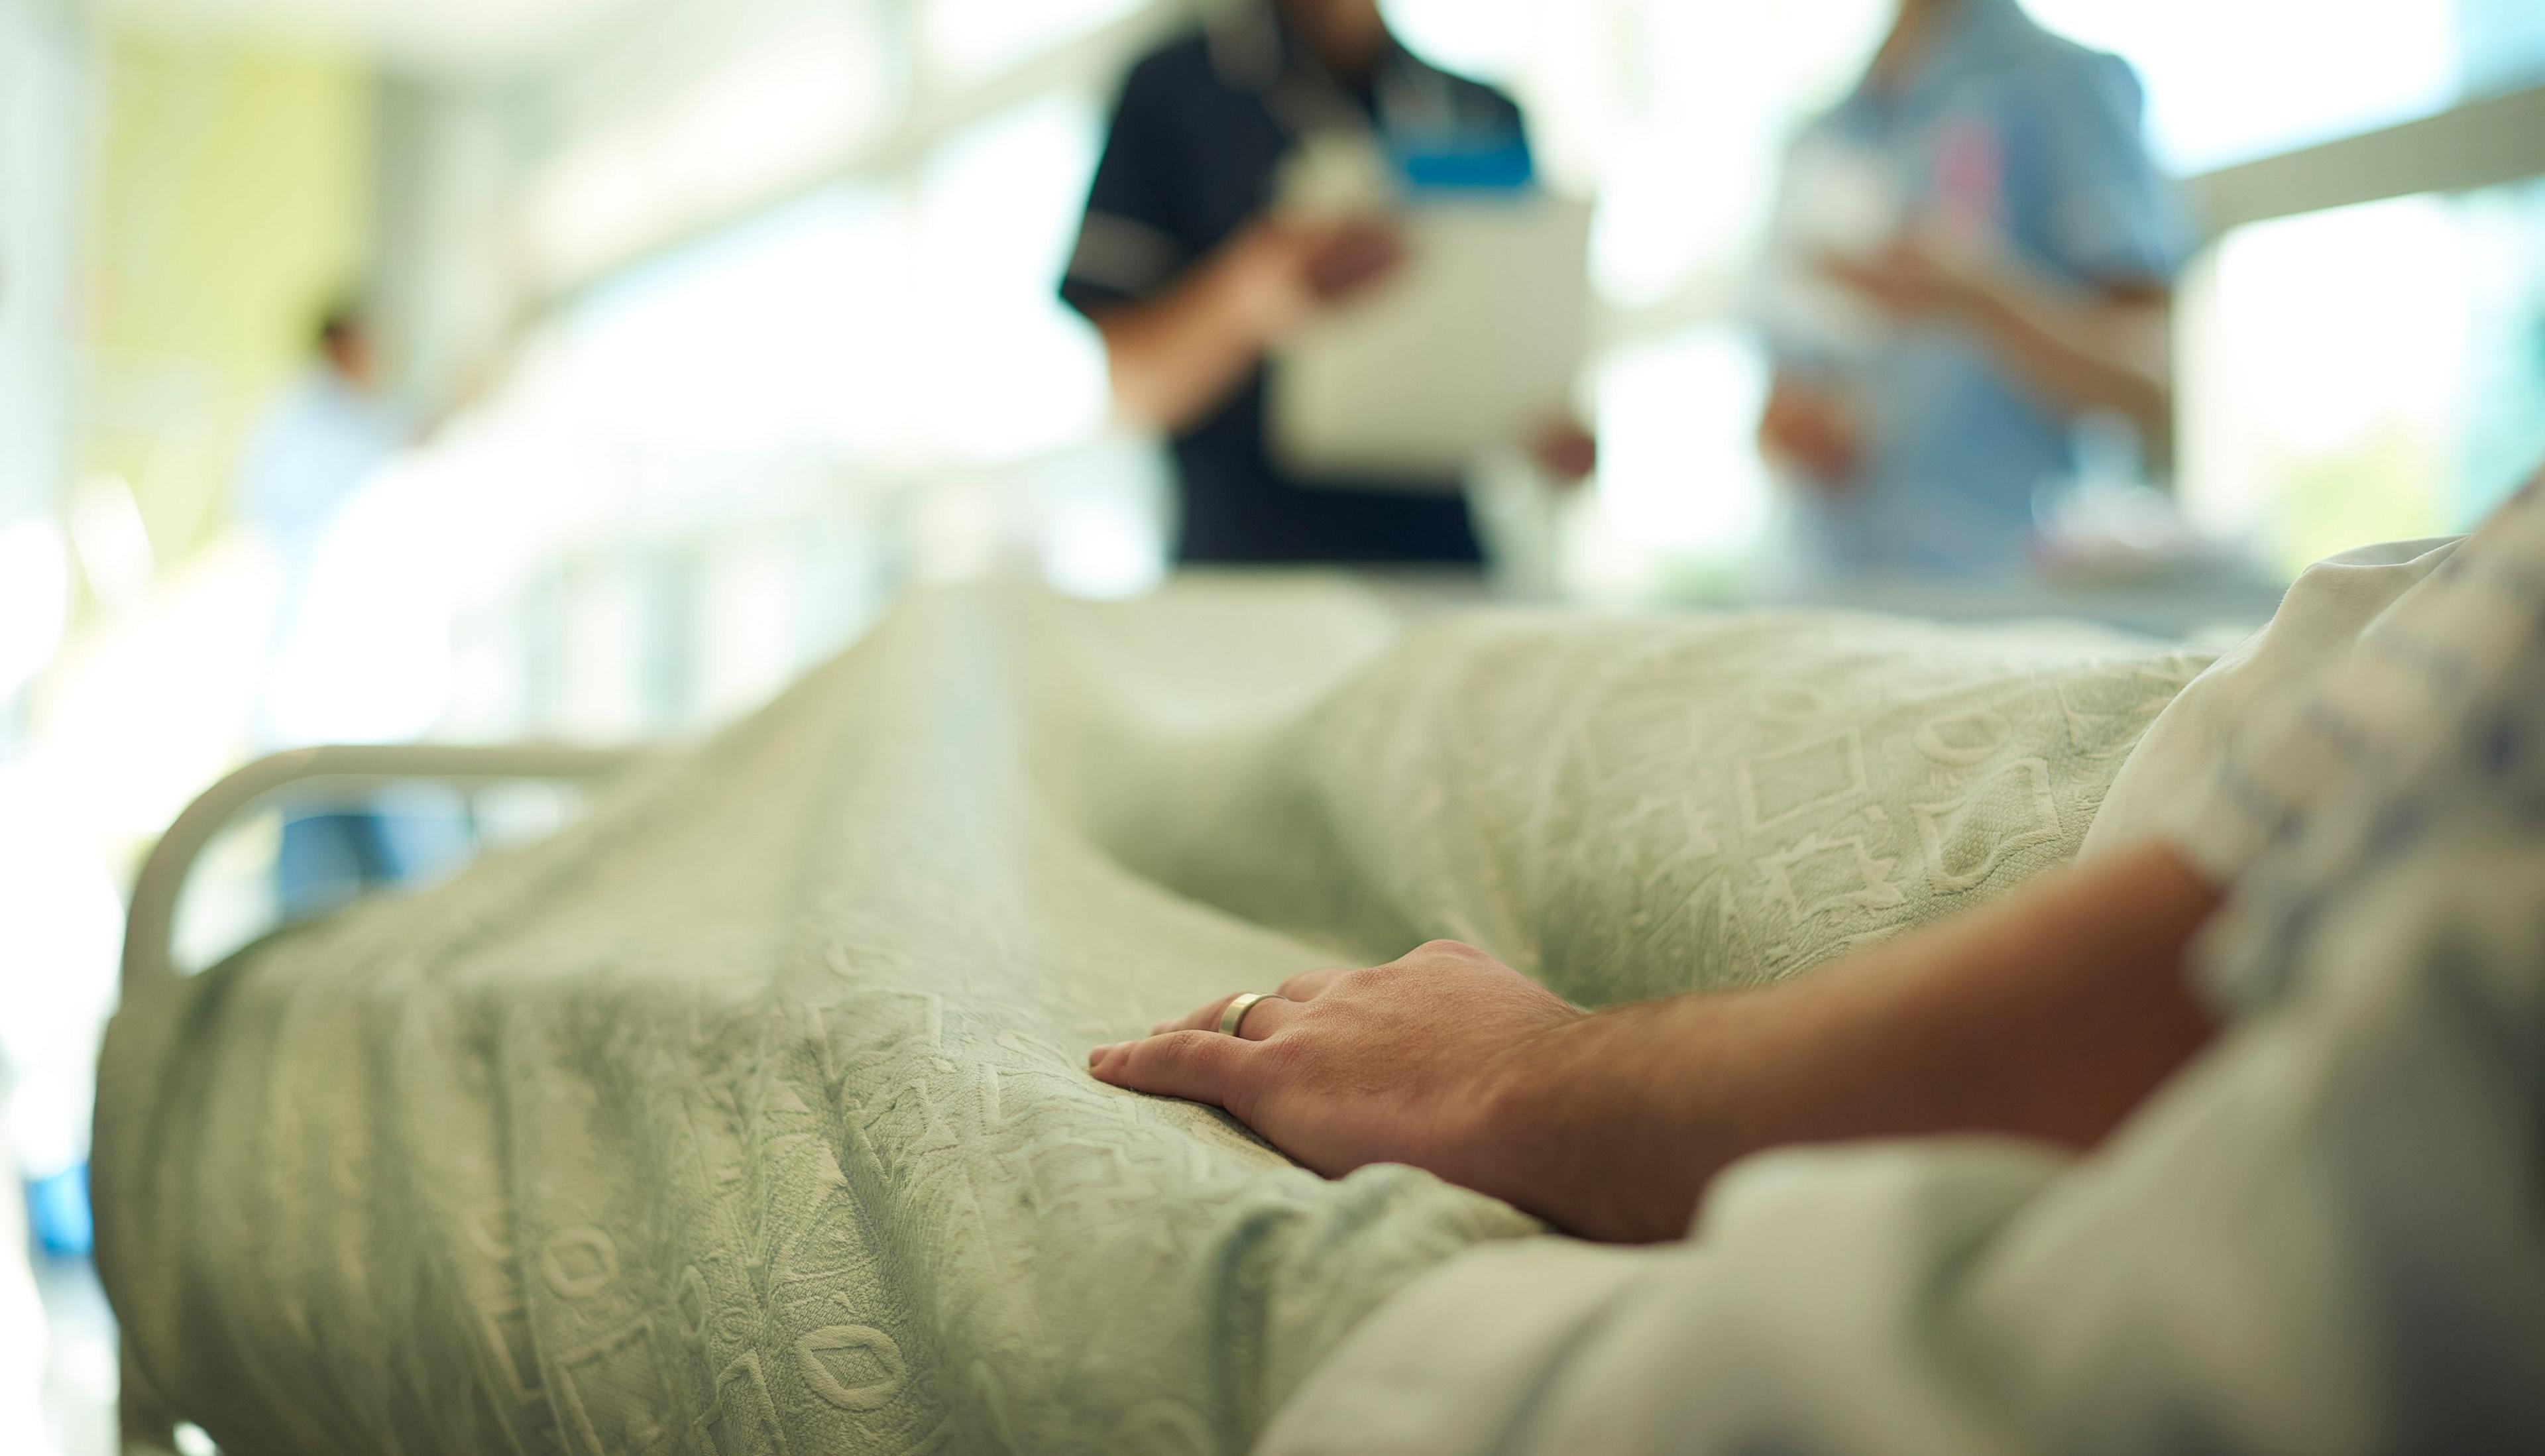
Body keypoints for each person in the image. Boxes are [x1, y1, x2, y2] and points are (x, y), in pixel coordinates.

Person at [1092, 473, 2545, 1449]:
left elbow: (2187, 980)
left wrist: (1527, 1076)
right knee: (1416, 703)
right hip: (2193, 731)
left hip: (2121, 810)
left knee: (1427, 707)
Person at [1061, 0, 1590, 568]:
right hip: (1249, 570)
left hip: (1442, 569)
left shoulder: (1481, 111)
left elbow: (1516, 354)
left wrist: (1548, 431)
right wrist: (1252, 295)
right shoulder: (1175, 88)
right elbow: (1132, 388)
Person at [1755, 0, 2192, 585]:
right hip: (1829, 595)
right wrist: (1796, 431)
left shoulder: (2062, 85)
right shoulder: (1821, 135)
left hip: (2015, 600)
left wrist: (1977, 296)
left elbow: (2150, 376)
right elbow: (1784, 396)